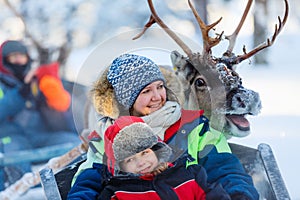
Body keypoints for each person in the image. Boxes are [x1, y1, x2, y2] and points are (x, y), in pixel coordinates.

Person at [68, 53, 259, 199]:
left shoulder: (195, 128)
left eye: (160, 87)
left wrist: (238, 195)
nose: (157, 97)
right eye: (146, 91)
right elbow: (87, 182)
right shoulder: (107, 138)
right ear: (126, 100)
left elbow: (225, 169)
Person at [0, 40, 81, 190]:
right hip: (11, 138)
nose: (18, 60)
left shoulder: (36, 80)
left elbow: (61, 117)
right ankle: (23, 194)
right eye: (13, 57)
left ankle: (71, 189)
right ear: (4, 60)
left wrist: (50, 97)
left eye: (21, 56)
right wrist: (19, 94)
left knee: (75, 145)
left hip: (40, 135)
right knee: (14, 160)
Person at [99, 116, 231, 200]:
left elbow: (213, 194)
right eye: (129, 160)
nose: (141, 162)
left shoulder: (188, 175)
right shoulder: (118, 193)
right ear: (120, 167)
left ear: (156, 150)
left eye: (145, 152)